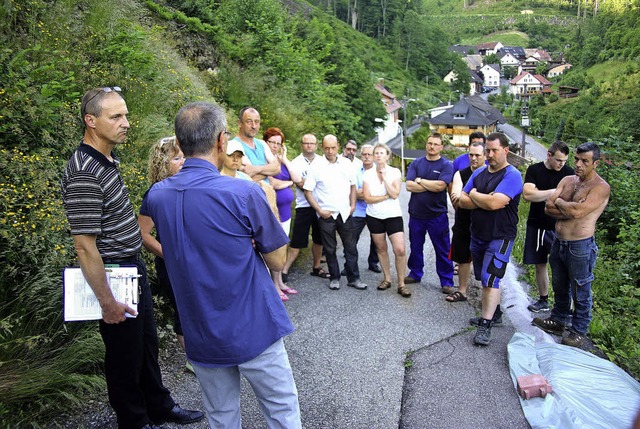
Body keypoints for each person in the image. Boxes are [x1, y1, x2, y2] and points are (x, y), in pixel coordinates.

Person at [142, 102, 302, 428]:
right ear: (221, 141)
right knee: (281, 410)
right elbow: (278, 258)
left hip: (201, 330)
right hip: (253, 324)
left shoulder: (157, 195)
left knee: (221, 417)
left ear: (181, 141)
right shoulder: (243, 193)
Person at [61, 87, 203, 429]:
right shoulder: (83, 171)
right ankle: (134, 420)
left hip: (131, 267)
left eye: (125, 115)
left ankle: (158, 405)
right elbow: (85, 246)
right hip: (113, 271)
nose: (126, 123)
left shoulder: (106, 158)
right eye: (116, 117)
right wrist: (107, 301)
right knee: (124, 353)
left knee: (145, 343)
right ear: (90, 121)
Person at [532, 142, 610, 348]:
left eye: (585, 161)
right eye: (576, 159)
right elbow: (548, 207)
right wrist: (566, 205)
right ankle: (558, 320)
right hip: (559, 241)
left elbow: (577, 213)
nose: (578, 164)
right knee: (559, 285)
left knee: (581, 289)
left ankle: (578, 331)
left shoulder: (600, 187)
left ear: (596, 164)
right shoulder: (567, 180)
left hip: (580, 246)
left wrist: (560, 203)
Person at [459, 132, 523, 346]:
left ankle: (485, 326)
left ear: (506, 151)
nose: (490, 154)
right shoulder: (479, 173)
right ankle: (494, 314)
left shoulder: (512, 175)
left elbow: (496, 204)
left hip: (500, 237)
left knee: (490, 279)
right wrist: (484, 199)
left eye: (494, 150)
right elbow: (461, 200)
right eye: (487, 150)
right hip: (478, 234)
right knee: (482, 277)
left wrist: (476, 195)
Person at [137, 137, 192, 372]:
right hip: (172, 265)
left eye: (184, 157)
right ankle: (194, 360)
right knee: (183, 309)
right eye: (176, 158)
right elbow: (143, 234)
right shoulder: (154, 194)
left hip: (195, 260)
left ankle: (210, 354)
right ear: (162, 163)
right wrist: (168, 254)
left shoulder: (191, 185)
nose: (182, 162)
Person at [304, 134, 367, 291]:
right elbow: (307, 191)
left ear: (338, 146)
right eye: (326, 148)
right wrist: (319, 210)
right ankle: (334, 277)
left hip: (345, 213)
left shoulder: (346, 164)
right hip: (326, 215)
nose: (330, 151)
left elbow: (353, 186)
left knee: (351, 247)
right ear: (322, 147)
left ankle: (354, 278)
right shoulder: (316, 166)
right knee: (330, 248)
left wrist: (352, 205)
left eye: (333, 147)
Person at [522, 141, 574, 312]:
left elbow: (572, 200)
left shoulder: (569, 174)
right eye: (559, 160)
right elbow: (528, 194)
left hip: (561, 226)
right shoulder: (535, 170)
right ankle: (543, 299)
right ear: (549, 155)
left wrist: (542, 195)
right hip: (538, 224)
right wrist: (554, 193)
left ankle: (567, 305)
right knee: (540, 263)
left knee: (564, 266)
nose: (561, 164)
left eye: (564, 161)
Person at [404, 133, 455, 293]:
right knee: (416, 246)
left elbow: (441, 186)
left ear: (441, 147)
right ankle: (415, 273)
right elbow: (409, 186)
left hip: (437, 215)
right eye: (429, 143)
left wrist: (420, 180)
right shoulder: (416, 163)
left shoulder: (446, 165)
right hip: (416, 214)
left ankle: (446, 281)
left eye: (435, 144)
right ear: (426, 145)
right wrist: (429, 184)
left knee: (443, 249)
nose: (432, 146)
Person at [362, 143, 409, 297]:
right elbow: (367, 198)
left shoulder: (395, 172)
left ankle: (401, 283)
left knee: (399, 250)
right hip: (374, 216)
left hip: (393, 215)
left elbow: (395, 194)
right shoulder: (367, 174)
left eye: (382, 153)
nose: (379, 155)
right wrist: (384, 197)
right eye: (376, 153)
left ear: (387, 156)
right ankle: (387, 278)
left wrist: (384, 177)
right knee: (381, 249)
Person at [281, 134, 329, 282]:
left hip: (320, 205)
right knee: (297, 241)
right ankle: (284, 270)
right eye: (306, 143)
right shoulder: (295, 163)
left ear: (316, 145)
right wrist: (308, 183)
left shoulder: (324, 161)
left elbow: (326, 183)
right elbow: (300, 184)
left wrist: (306, 182)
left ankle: (316, 267)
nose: (309, 146)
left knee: (318, 239)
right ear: (302, 145)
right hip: (304, 206)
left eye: (312, 143)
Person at [446, 140, 486, 303]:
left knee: (484, 261)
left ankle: (488, 295)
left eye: (477, 155)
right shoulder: (460, 174)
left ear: (485, 155)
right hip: (463, 222)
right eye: (471, 154)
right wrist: (482, 199)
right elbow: (456, 199)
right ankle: (462, 291)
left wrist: (467, 196)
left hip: (484, 225)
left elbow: (495, 201)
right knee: (462, 258)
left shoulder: (490, 174)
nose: (474, 158)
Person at [264, 127, 302, 299]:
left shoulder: (280, 160)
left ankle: (280, 282)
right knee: (275, 248)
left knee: (283, 246)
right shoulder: (265, 161)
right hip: (274, 210)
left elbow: (297, 178)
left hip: (286, 211)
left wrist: (285, 159)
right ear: (266, 142)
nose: (275, 146)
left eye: (278, 144)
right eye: (272, 142)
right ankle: (274, 286)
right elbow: (274, 184)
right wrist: (288, 184)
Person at [345, 143, 380, 275]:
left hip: (374, 211)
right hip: (358, 211)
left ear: (374, 156)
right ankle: (349, 266)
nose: (366, 157)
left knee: (376, 240)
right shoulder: (354, 171)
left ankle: (373, 263)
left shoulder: (379, 172)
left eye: (369, 154)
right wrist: (367, 194)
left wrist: (362, 193)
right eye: (364, 154)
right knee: (351, 240)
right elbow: (350, 191)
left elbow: (379, 192)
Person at [233, 106, 280, 182]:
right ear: (239, 123)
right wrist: (269, 170)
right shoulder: (234, 145)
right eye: (249, 121)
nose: (254, 126)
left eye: (257, 122)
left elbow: (277, 168)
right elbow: (248, 176)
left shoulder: (262, 143)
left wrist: (256, 169)